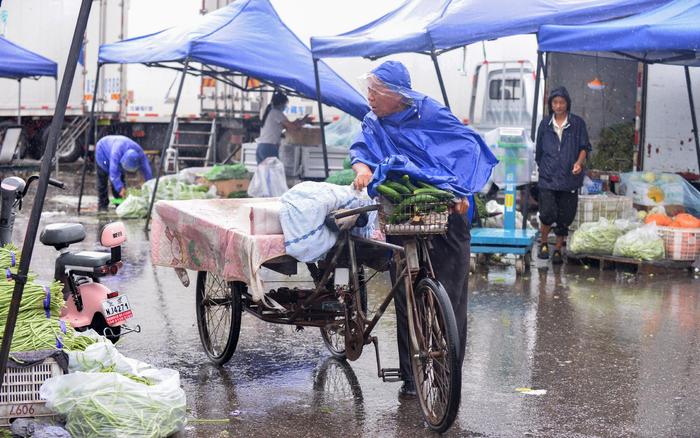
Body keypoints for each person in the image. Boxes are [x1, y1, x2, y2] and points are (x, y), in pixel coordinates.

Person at [350, 61, 497, 397]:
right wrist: (363, 171)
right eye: (368, 90)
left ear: (396, 94)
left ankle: (449, 368)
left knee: (450, 293)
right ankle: (410, 375)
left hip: (447, 211)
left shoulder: (430, 114)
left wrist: (462, 189)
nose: (369, 97)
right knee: (406, 293)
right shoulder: (374, 123)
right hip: (402, 214)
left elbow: (466, 147)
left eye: (376, 91)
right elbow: (361, 152)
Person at [535, 86, 591, 264]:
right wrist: (545, 168)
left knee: (564, 216)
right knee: (547, 212)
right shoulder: (545, 124)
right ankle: (544, 243)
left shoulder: (577, 124)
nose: (558, 106)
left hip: (569, 179)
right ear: (551, 105)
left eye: (561, 102)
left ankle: (558, 249)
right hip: (548, 178)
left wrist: (578, 163)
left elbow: (584, 147)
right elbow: (539, 152)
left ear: (567, 104)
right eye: (555, 102)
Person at [95, 135, 153, 211]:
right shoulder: (116, 153)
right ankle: (103, 204)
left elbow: (147, 170)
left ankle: (119, 202)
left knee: (120, 179)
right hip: (102, 151)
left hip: (116, 149)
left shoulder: (139, 153)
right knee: (103, 178)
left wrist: (150, 186)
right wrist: (120, 188)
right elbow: (113, 174)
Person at [256, 91, 311, 164]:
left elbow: (288, 125)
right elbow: (293, 127)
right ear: (281, 103)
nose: (285, 106)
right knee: (273, 172)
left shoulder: (271, 112)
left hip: (261, 147)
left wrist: (300, 121)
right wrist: (303, 121)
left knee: (263, 173)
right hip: (269, 147)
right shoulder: (276, 113)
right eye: (285, 104)